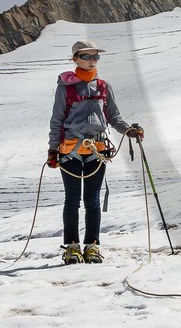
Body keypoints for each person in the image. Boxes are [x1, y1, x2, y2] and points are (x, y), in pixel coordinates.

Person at [48, 40, 144, 265]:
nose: (92, 60)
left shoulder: (103, 87)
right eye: (87, 56)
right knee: (72, 200)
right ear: (75, 58)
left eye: (95, 57)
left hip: (97, 150)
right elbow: (57, 120)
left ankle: (92, 246)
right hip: (70, 150)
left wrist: (128, 130)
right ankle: (72, 247)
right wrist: (53, 149)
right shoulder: (65, 88)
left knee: (92, 200)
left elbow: (113, 117)